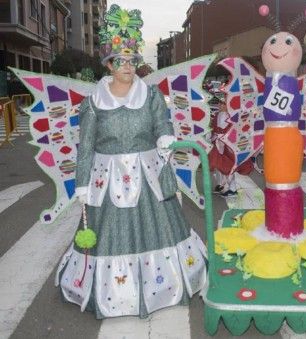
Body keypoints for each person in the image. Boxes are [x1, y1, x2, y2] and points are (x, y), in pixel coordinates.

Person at [55, 5, 206, 319]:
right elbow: (85, 148)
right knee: (107, 233)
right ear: (109, 65)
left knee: (161, 226)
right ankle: (113, 292)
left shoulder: (150, 96)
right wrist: (81, 183)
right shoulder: (93, 103)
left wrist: (165, 137)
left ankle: (165, 284)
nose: (127, 66)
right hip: (106, 179)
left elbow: (161, 123)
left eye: (132, 60)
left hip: (148, 175)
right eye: (120, 61)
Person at [210, 99, 237, 196]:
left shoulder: (231, 116)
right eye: (219, 103)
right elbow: (213, 128)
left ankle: (232, 188)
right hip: (217, 142)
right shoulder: (217, 114)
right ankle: (220, 184)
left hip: (227, 145)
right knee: (218, 164)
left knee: (227, 165)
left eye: (223, 103)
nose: (220, 105)